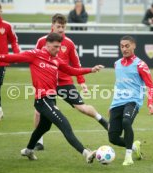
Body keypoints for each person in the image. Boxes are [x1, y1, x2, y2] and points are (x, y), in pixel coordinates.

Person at [0, 33, 104, 163]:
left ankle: (28, 150)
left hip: (50, 99)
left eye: (59, 47)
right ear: (47, 45)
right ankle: (86, 153)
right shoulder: (34, 55)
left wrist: (91, 70)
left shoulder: (56, 60)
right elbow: (10, 57)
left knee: (44, 128)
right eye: (55, 47)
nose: (58, 50)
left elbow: (71, 70)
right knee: (64, 124)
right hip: (42, 99)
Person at [34, 13, 109, 150]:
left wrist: (82, 82)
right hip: (47, 83)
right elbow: (35, 60)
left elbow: (76, 64)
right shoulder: (42, 41)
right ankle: (39, 142)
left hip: (64, 83)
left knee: (81, 107)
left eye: (63, 27)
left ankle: (102, 120)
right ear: (52, 26)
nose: (61, 29)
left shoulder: (68, 43)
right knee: (39, 111)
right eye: (58, 26)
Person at [108, 35, 153, 166]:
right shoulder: (117, 64)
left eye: (127, 46)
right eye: (122, 46)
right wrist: (111, 105)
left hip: (133, 101)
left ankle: (128, 157)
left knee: (126, 122)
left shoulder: (140, 64)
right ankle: (134, 146)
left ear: (134, 46)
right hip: (117, 103)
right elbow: (118, 85)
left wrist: (150, 104)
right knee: (113, 138)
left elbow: (150, 86)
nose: (124, 49)